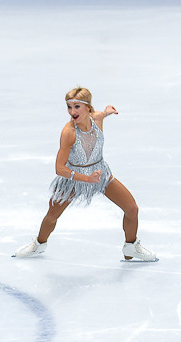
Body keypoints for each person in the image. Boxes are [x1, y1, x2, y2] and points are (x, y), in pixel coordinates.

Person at [14, 86, 157, 262]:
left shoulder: (96, 118)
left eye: (77, 106)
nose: (72, 112)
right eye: (69, 107)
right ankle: (38, 244)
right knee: (52, 215)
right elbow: (59, 168)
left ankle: (131, 247)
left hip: (101, 173)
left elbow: (101, 114)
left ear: (88, 107)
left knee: (132, 209)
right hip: (73, 179)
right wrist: (86, 179)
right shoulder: (69, 133)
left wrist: (107, 111)